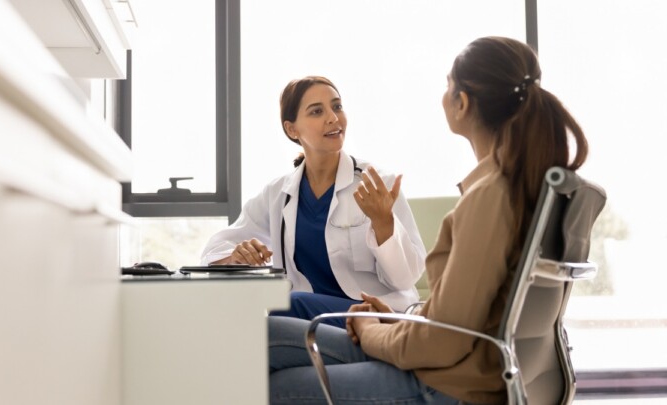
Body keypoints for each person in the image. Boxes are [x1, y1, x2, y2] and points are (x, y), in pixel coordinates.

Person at [268, 36, 589, 405]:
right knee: (267, 333)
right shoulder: (520, 187)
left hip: (448, 381)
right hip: (462, 363)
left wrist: (371, 330)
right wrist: (395, 320)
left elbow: (442, 343)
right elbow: (459, 321)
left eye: (448, 85)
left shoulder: (490, 197)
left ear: (462, 102)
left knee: (268, 373)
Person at [200, 76, 427, 327]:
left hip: (378, 316)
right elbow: (215, 249)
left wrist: (384, 222)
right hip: (318, 320)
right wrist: (236, 257)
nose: (333, 117)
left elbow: (406, 278)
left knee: (289, 307)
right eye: (317, 111)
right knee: (261, 326)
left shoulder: (377, 183)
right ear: (292, 129)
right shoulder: (278, 193)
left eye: (337, 106)